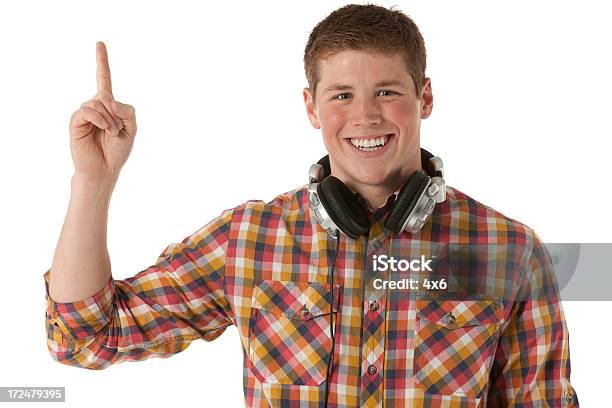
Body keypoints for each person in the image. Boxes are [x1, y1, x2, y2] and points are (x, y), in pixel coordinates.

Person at [44, 4, 578, 407]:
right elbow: (87, 337)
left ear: (426, 98)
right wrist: (94, 181)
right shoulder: (248, 240)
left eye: (387, 91)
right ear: (311, 106)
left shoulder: (511, 252)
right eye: (342, 95)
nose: (365, 115)